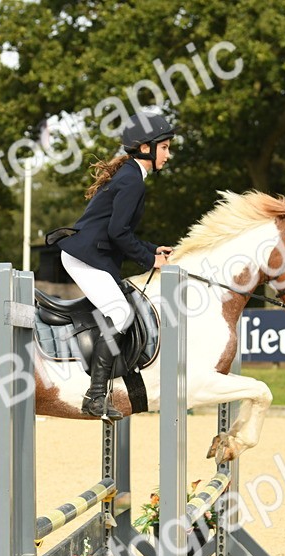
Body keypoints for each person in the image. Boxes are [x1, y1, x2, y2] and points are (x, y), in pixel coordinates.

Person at [55, 112, 176, 419]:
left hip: (92, 254)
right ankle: (95, 396)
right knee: (120, 314)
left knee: (121, 309)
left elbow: (120, 230)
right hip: (85, 257)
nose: (168, 154)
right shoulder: (132, 180)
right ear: (146, 148)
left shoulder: (131, 176)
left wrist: (153, 249)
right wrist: (150, 261)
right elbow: (117, 233)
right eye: (165, 147)